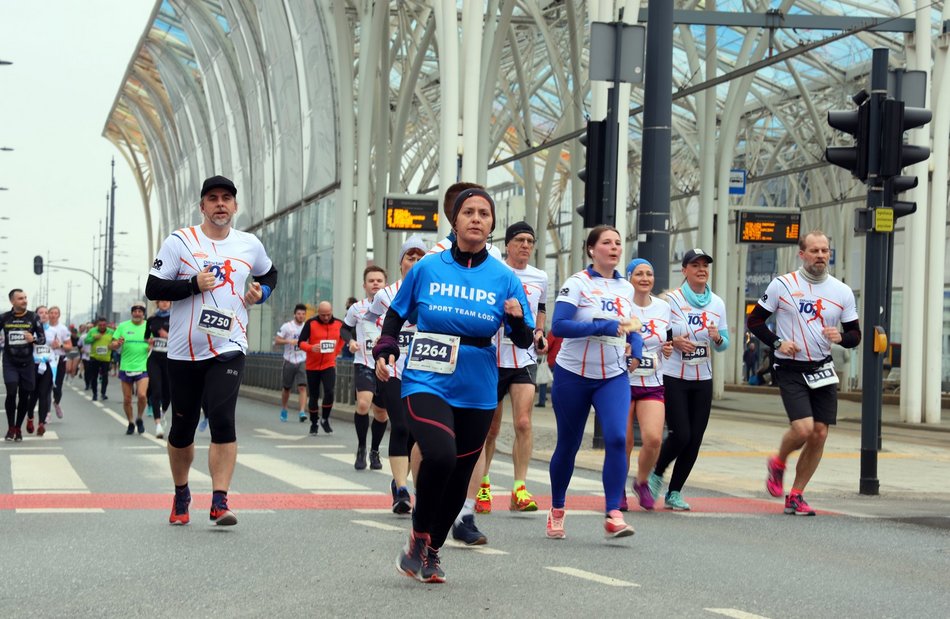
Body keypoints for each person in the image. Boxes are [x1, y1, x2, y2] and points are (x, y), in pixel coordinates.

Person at [373, 186, 533, 583]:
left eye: (484, 213)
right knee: (440, 456)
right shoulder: (429, 267)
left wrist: (515, 320)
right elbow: (395, 314)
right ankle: (418, 535)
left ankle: (431, 549)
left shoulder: (505, 277)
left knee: (460, 478)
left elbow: (527, 339)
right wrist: (387, 346)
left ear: (492, 224)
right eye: (469, 212)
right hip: (427, 376)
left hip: (477, 384)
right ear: (455, 221)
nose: (476, 218)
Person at [146, 174, 278, 526]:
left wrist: (261, 293)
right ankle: (181, 492)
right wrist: (192, 283)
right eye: (213, 198)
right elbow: (153, 286)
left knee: (222, 418)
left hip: (229, 344)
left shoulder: (249, 244)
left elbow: (269, 275)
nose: (220, 204)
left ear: (235, 206)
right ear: (202, 206)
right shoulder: (180, 242)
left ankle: (220, 500)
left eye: (227, 198)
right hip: (183, 352)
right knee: (182, 429)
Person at [747, 230, 860, 516]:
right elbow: (755, 320)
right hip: (789, 367)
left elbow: (855, 335)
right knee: (803, 429)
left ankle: (796, 494)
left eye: (825, 251)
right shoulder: (782, 285)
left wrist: (840, 338)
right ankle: (778, 462)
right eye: (815, 251)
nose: (821, 256)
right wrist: (777, 342)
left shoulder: (841, 291)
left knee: (820, 433)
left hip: (822, 368)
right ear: (802, 254)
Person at [547, 225, 642, 540]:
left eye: (618, 243)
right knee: (569, 445)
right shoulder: (577, 283)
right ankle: (557, 508)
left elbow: (633, 326)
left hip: (612, 376)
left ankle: (613, 512)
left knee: (617, 438)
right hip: (572, 374)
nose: (614, 247)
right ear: (591, 249)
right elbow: (559, 326)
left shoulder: (627, 289)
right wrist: (600, 326)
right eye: (606, 243)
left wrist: (637, 352)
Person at [650, 248, 729, 511]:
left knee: (695, 438)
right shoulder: (669, 301)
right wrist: (673, 340)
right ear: (684, 271)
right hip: (674, 376)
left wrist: (717, 337)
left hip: (702, 378)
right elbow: (656, 334)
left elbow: (723, 344)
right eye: (695, 265)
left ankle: (675, 492)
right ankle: (657, 472)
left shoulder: (717, 303)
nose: (701, 269)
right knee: (680, 434)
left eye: (705, 265)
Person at [481, 221, 549, 515]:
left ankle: (519, 489)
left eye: (530, 241)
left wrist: (539, 333)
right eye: (519, 240)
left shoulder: (540, 277)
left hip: (524, 357)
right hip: (493, 358)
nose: (525, 245)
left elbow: (541, 308)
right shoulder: (494, 272)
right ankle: (482, 485)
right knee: (490, 429)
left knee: (523, 422)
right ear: (507, 244)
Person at [365, 235, 428, 514]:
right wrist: (376, 356)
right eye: (409, 258)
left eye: (419, 258)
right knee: (400, 425)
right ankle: (402, 491)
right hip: (392, 368)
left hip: (425, 370)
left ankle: (401, 478)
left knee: (417, 432)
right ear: (401, 263)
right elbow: (369, 323)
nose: (414, 263)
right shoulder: (385, 295)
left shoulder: (435, 294)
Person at [622, 259, 672, 512]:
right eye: (639, 274)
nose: (644, 278)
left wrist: (668, 348)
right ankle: (616, 487)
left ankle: (641, 482)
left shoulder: (664, 308)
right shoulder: (623, 305)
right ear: (629, 277)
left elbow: (668, 338)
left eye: (649, 274)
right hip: (622, 380)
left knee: (653, 439)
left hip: (652, 381)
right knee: (624, 441)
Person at [343, 266, 390, 470]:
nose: (375, 284)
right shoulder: (357, 308)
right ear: (364, 285)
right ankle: (361, 447)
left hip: (386, 366)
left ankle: (374, 450)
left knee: (381, 414)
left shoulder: (394, 307)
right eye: (371, 281)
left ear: (385, 284)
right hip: (364, 363)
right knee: (363, 405)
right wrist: (350, 341)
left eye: (379, 280)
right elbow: (344, 328)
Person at [2, 289, 46, 441]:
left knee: (24, 397)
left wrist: (32, 340)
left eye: (25, 298)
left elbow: (42, 339)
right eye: (20, 298)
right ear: (12, 301)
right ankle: (10, 427)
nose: (25, 300)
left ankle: (18, 428)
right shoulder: (4, 317)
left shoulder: (34, 317)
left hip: (27, 363)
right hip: (10, 362)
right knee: (12, 391)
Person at [297, 301, 344, 436]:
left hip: (329, 364)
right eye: (323, 315)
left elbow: (344, 338)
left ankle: (325, 419)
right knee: (314, 395)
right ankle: (314, 423)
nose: (326, 317)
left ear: (332, 312)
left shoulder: (339, 324)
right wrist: (311, 348)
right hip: (312, 366)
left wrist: (336, 351)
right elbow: (301, 342)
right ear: (318, 312)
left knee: (329, 392)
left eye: (328, 315)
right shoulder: (310, 323)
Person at [112, 302, 151, 436]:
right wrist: (117, 344)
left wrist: (151, 345)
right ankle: (130, 422)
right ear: (132, 313)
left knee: (141, 395)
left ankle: (139, 418)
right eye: (135, 311)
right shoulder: (123, 326)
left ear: (143, 314)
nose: (137, 313)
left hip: (143, 366)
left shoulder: (148, 325)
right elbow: (112, 345)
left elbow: (155, 342)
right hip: (126, 366)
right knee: (127, 399)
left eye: (140, 311)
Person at [275, 304, 309, 423]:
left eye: (303, 314)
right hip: (289, 360)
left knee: (302, 387)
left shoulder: (307, 327)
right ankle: (284, 408)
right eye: (299, 314)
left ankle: (302, 411)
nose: (301, 316)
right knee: (287, 388)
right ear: (295, 314)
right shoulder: (287, 327)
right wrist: (289, 341)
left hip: (302, 360)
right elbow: (277, 340)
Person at [25, 305, 55, 435]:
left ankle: (41, 423)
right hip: (33, 366)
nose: (43, 315)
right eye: (40, 312)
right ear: (36, 315)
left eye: (46, 313)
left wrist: (59, 346)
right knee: (33, 395)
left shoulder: (54, 331)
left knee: (44, 395)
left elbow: (62, 348)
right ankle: (30, 417)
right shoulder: (30, 330)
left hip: (47, 365)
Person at [145, 300, 172, 437]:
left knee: (168, 393)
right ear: (157, 303)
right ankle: (158, 425)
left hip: (170, 360)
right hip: (154, 358)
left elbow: (183, 338)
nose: (165, 304)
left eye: (167, 301)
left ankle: (162, 413)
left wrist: (168, 336)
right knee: (156, 390)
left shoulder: (175, 317)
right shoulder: (152, 319)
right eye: (162, 301)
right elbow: (146, 337)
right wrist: (149, 341)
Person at [46, 306, 72, 419]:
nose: (53, 315)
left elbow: (69, 347)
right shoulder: (43, 328)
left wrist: (60, 345)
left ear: (59, 315)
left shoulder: (63, 329)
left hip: (59, 359)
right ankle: (47, 413)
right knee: (46, 387)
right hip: (46, 359)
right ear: (48, 314)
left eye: (55, 313)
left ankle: (56, 403)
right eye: (51, 313)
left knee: (57, 387)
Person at [85, 317, 114, 401]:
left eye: (104, 325)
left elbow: (115, 341)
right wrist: (94, 338)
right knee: (94, 376)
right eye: (100, 325)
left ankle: (103, 393)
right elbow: (86, 341)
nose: (102, 326)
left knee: (105, 376)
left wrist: (113, 344)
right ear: (97, 325)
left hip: (106, 358)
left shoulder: (111, 332)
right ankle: (95, 394)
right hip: (94, 357)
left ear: (106, 325)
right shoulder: (92, 331)